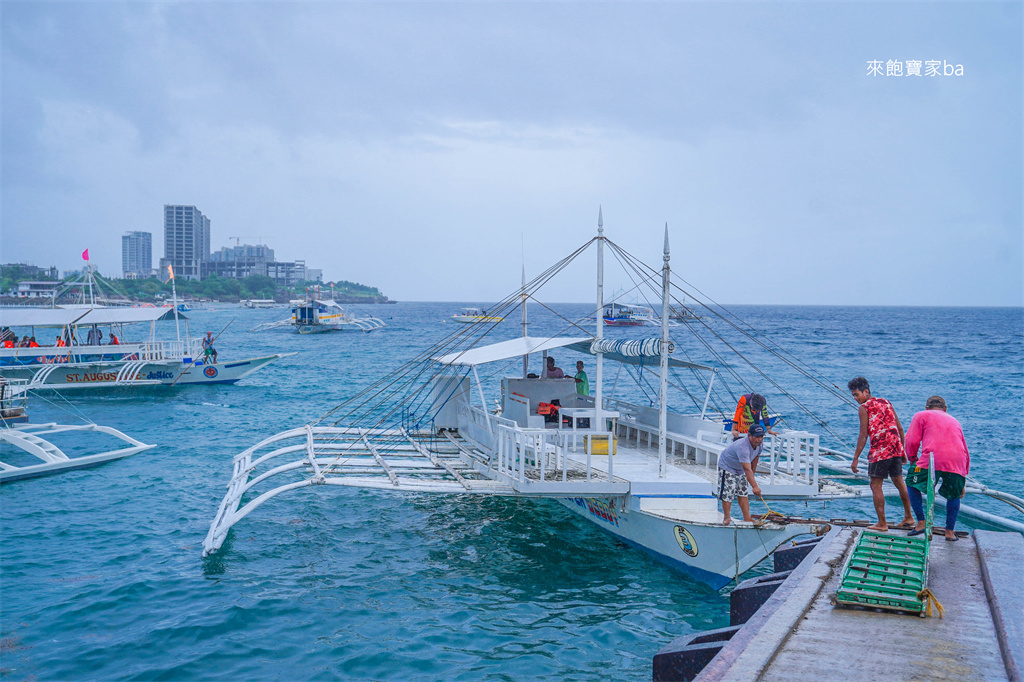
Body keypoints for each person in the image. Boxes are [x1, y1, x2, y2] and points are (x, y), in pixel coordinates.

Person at [849, 376, 915, 532]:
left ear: (866, 391)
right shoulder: (886, 402)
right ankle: (909, 517)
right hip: (895, 449)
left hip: (880, 452)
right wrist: (902, 449)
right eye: (853, 395)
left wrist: (856, 458)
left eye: (856, 394)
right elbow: (899, 429)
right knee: (900, 483)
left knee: (875, 485)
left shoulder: (864, 408)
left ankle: (882, 523)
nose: (855, 398)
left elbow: (863, 435)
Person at [904, 396, 970, 541]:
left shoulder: (921, 415)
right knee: (954, 495)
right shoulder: (955, 420)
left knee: (911, 482)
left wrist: (913, 459)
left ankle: (921, 522)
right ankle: (949, 532)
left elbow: (911, 440)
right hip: (958, 461)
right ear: (945, 409)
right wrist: (963, 478)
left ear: (926, 408)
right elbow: (965, 449)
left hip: (932, 458)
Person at [716, 424, 765, 525]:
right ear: (750, 436)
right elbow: (747, 469)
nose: (759, 439)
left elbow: (755, 460)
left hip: (740, 468)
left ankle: (747, 517)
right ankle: (727, 517)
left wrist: (753, 476)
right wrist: (755, 486)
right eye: (757, 437)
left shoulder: (760, 444)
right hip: (727, 466)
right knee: (728, 492)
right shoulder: (743, 447)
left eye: (761, 436)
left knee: (743, 492)